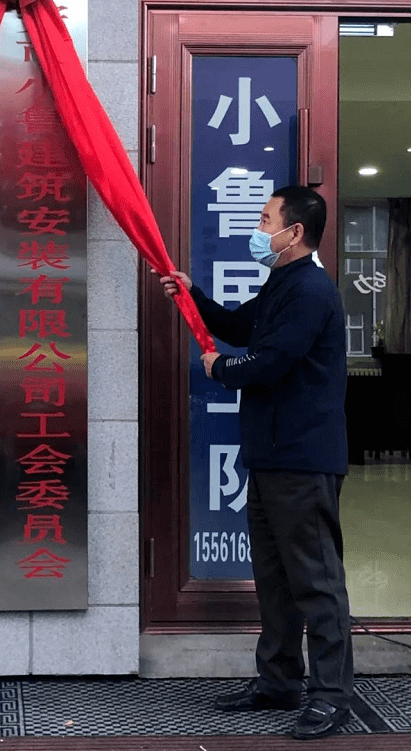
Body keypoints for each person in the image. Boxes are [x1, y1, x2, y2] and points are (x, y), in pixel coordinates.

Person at [160, 186, 353, 741]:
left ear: (294, 233)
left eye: (266, 219)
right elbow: (241, 328)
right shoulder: (282, 283)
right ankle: (278, 681)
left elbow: (270, 362)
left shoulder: (313, 292)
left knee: (315, 581)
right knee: (274, 578)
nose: (259, 226)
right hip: (270, 457)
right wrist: (191, 296)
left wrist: (222, 370)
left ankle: (332, 695)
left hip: (303, 461)